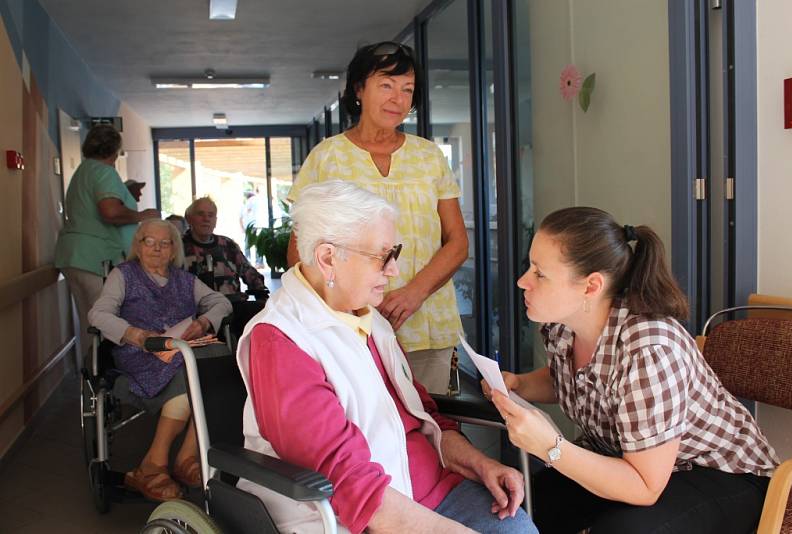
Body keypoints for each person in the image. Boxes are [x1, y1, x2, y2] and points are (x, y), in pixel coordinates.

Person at [237, 181, 536, 534]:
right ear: (328, 258)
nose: (393, 270)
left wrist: (480, 463)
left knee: (516, 526)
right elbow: (350, 484)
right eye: (383, 256)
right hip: (359, 519)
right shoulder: (281, 340)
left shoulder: (369, 318)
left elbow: (422, 414)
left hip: (429, 490)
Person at [483, 207, 780, 534]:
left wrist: (550, 447)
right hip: (630, 463)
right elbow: (572, 379)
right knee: (517, 507)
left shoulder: (649, 349)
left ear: (591, 286)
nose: (522, 280)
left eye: (540, 273)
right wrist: (518, 385)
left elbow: (645, 486)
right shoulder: (565, 327)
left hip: (720, 474)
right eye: (530, 266)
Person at [287, 41, 468, 395]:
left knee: (438, 430)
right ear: (359, 89)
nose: (397, 99)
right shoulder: (327, 158)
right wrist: (343, 307)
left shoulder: (429, 157)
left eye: (407, 90)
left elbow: (458, 242)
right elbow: (300, 252)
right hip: (352, 327)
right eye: (386, 85)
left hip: (427, 322)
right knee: (365, 433)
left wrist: (415, 292)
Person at [88, 219, 232, 501]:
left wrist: (204, 322)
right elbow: (98, 315)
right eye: (149, 242)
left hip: (181, 349)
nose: (156, 249)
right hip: (141, 352)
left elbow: (221, 302)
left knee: (218, 359)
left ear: (173, 249)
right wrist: (135, 335)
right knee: (188, 370)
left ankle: (187, 455)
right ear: (138, 247)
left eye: (164, 243)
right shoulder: (123, 275)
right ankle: (154, 463)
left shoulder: (185, 279)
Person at [55, 124, 160, 359]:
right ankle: (110, 375)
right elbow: (110, 212)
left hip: (74, 257)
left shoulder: (82, 172)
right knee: (106, 322)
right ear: (114, 151)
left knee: (89, 323)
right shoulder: (104, 172)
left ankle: (94, 376)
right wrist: (142, 216)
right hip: (96, 258)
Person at [183, 196, 268, 336]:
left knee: (263, 314)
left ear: (215, 220)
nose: (206, 219)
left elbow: (249, 272)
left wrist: (261, 292)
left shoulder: (227, 245)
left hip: (234, 304)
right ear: (189, 218)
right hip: (200, 310)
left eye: (211, 215)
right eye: (200, 214)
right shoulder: (179, 247)